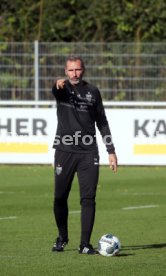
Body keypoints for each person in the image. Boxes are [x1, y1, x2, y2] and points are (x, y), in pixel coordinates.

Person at [51, 55, 117, 255]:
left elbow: (102, 123)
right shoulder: (62, 90)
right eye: (70, 70)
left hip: (89, 152)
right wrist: (56, 85)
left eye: (77, 69)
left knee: (88, 198)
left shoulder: (93, 92)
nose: (74, 74)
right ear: (65, 71)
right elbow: (55, 89)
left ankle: (85, 244)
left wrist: (111, 151)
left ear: (83, 70)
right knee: (60, 197)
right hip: (64, 150)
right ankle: (62, 237)